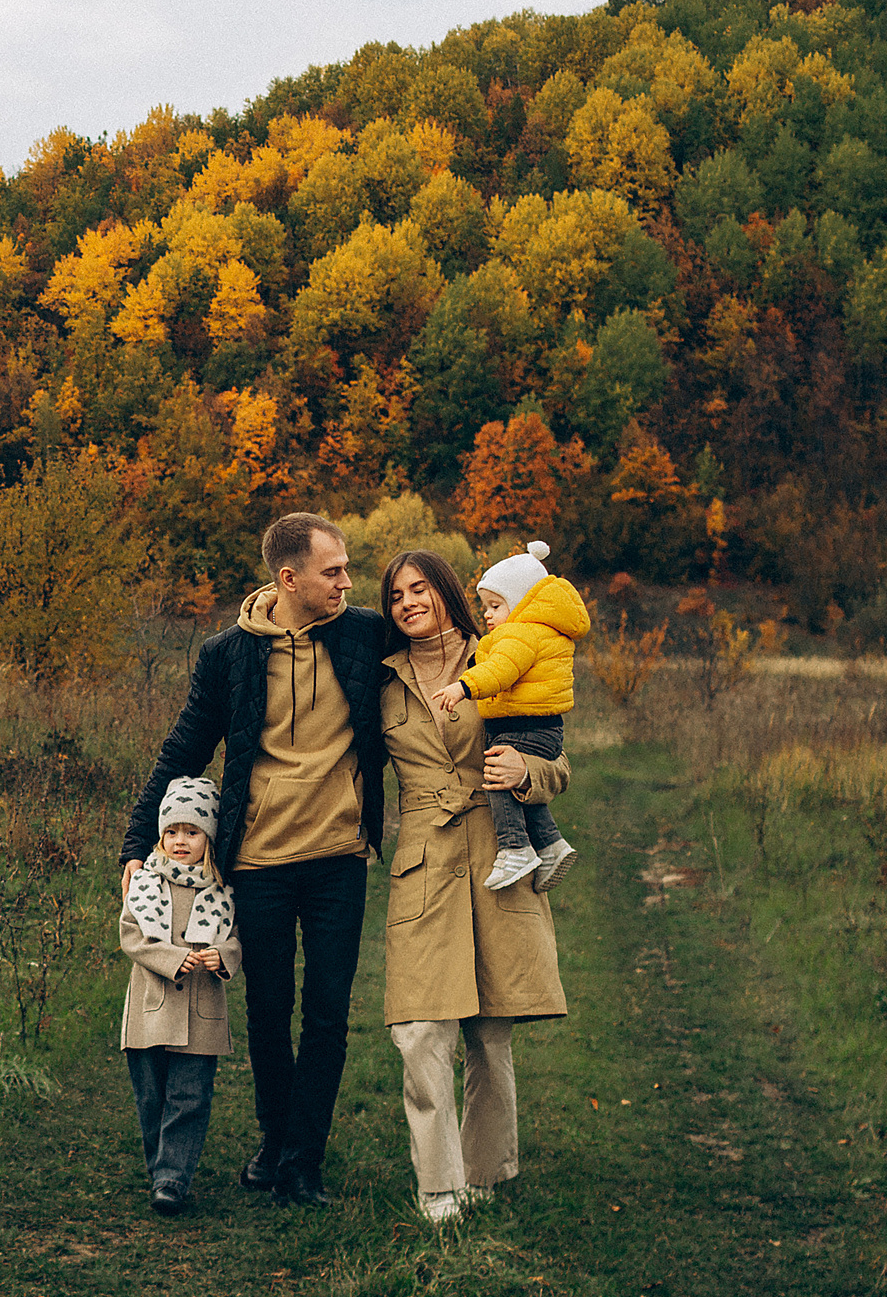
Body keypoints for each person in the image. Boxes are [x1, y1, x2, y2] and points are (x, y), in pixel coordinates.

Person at [120, 512, 390, 1207]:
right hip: (260, 863)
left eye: (348, 569)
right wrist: (133, 846)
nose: (347, 581)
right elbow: (183, 749)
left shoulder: (362, 634)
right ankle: (274, 1142)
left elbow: (442, 645)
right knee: (270, 1008)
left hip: (339, 858)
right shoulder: (227, 653)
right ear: (288, 578)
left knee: (328, 1012)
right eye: (333, 571)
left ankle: (304, 1161)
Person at [380, 547, 574, 1224]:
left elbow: (555, 761)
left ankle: (485, 1173)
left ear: (446, 594)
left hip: (498, 853)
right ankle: (438, 1184)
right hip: (423, 861)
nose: (408, 602)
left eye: (420, 588)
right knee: (418, 1024)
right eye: (396, 593)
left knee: (489, 1028)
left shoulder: (496, 652)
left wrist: (525, 772)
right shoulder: (381, 677)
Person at [429, 539, 590, 890]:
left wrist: (463, 687)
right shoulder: (543, 631)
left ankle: (515, 847)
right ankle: (550, 845)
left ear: (520, 604)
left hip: (522, 726)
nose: (487, 614)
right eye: (484, 606)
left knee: (498, 778)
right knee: (516, 783)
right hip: (543, 727)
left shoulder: (520, 633)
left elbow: (501, 670)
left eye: (495, 605)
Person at [118, 777, 243, 1216]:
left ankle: (172, 1179)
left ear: (208, 837)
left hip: (200, 1012)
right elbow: (131, 937)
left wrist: (220, 955)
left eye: (192, 832)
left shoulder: (223, 891)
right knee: (151, 1096)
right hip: (150, 1010)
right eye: (172, 831)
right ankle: (160, 1167)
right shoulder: (145, 881)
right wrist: (173, 959)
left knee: (189, 1096)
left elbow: (235, 940)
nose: (180, 841)